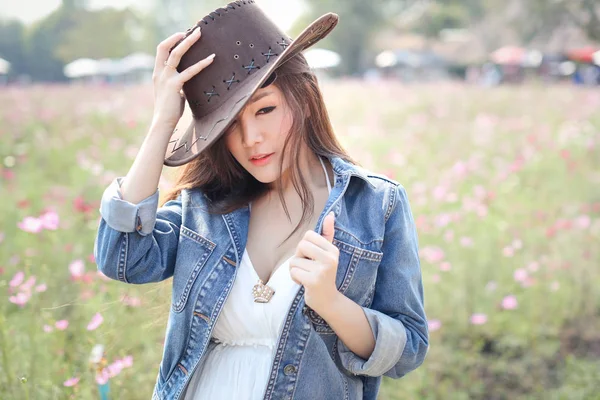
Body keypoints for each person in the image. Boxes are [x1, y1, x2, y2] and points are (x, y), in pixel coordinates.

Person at [94, 1, 429, 399]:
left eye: (265, 109)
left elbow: (408, 348)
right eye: (228, 125)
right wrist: (163, 122)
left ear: (303, 98)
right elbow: (123, 258)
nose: (250, 138)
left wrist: (332, 303)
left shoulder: (375, 205)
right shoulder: (205, 206)